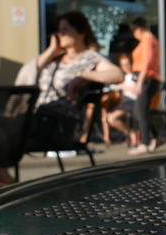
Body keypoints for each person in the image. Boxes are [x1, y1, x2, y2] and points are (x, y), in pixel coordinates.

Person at [30, 11, 123, 143]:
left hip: (58, 123)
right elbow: (29, 74)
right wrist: (50, 51)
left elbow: (117, 75)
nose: (60, 34)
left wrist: (83, 76)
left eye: (65, 30)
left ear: (81, 32)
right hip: (36, 117)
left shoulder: (90, 57)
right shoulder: (54, 58)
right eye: (59, 30)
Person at [128, 17, 163, 156]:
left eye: (133, 31)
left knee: (140, 111)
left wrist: (139, 82)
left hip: (147, 79)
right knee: (141, 111)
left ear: (139, 29)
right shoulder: (149, 40)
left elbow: (146, 63)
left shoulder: (148, 40)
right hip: (148, 78)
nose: (133, 34)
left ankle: (144, 143)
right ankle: (158, 137)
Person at [101, 53, 139, 147]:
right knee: (105, 116)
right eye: (123, 65)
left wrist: (123, 87)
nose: (126, 67)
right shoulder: (124, 77)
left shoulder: (136, 75)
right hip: (124, 103)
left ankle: (131, 134)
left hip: (133, 103)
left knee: (111, 118)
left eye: (127, 64)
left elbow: (136, 91)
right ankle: (107, 137)